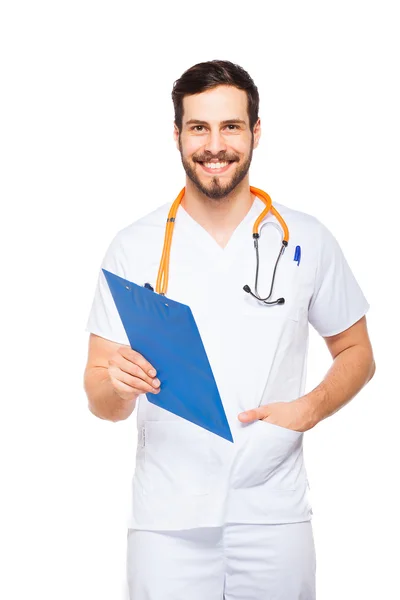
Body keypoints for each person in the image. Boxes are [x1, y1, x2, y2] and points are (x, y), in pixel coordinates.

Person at [84, 60, 375, 600]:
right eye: (198, 127)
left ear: (255, 132)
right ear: (177, 135)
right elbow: (101, 397)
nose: (214, 145)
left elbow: (357, 351)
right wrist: (116, 386)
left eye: (230, 127)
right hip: (167, 521)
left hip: (274, 512)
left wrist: (308, 410)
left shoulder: (305, 238)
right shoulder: (132, 247)